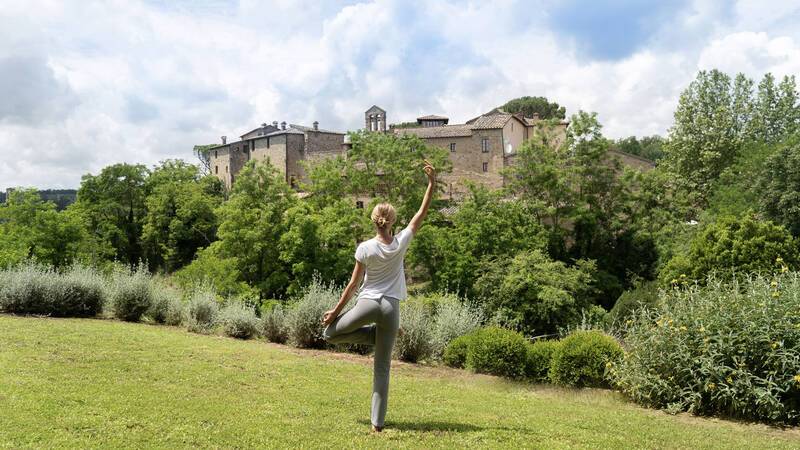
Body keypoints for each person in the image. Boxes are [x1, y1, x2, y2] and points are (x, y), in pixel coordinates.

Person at [321, 160, 436, 432]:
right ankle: (377, 424)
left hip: (368, 304)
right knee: (382, 368)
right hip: (390, 310)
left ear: (373, 221)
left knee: (329, 334)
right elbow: (421, 213)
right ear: (392, 221)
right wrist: (432, 183)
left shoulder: (364, 248)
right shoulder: (401, 242)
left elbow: (352, 286)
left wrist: (334, 314)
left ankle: (379, 335)